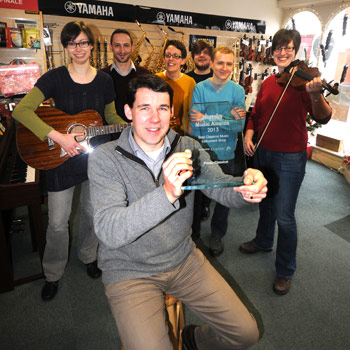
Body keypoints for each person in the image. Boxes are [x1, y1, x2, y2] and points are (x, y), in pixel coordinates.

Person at [88, 74, 268, 350]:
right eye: (144, 108)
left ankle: (193, 339)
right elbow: (110, 231)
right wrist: (167, 194)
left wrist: (245, 188)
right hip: (129, 271)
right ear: (128, 112)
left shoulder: (188, 147)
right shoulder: (106, 158)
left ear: (172, 112)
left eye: (162, 108)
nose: (154, 118)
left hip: (182, 259)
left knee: (246, 334)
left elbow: (218, 186)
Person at [12, 21, 124, 301]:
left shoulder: (105, 81)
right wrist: (58, 137)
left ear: (91, 45)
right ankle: (52, 273)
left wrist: (132, 124)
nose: (79, 48)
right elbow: (22, 111)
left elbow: (110, 118)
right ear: (65, 47)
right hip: (60, 158)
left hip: (94, 159)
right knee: (58, 222)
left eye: (83, 42)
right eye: (73, 43)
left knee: (91, 213)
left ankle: (88, 255)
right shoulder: (55, 77)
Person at [240, 29, 332, 295]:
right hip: (263, 151)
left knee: (285, 215)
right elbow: (256, 114)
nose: (282, 53)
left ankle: (285, 270)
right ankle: (263, 241)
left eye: (288, 48)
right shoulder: (269, 82)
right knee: (266, 204)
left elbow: (323, 117)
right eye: (278, 48)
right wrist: (249, 133)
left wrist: (315, 95)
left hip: (290, 157)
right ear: (272, 51)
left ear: (296, 51)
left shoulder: (305, 83)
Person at [190, 46, 246, 257]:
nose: (224, 68)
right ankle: (192, 234)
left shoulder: (238, 91)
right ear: (212, 64)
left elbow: (238, 126)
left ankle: (217, 236)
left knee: (224, 198)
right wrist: (227, 116)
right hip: (203, 151)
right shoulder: (200, 88)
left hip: (226, 152)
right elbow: (195, 124)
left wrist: (208, 118)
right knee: (196, 196)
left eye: (229, 64)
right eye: (220, 63)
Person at [187, 39, 214, 232]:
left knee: (209, 173)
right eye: (198, 52)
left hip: (212, 137)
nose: (201, 55)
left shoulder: (217, 78)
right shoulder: (186, 78)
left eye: (205, 52)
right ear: (193, 56)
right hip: (190, 136)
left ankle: (205, 204)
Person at [101, 28, 150, 122]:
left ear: (132, 47)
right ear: (111, 47)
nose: (122, 50)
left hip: (138, 134)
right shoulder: (102, 76)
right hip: (111, 135)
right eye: (117, 45)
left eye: (126, 45)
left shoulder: (146, 75)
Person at [156, 39, 196, 135]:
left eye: (176, 56)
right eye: (168, 55)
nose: (171, 59)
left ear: (183, 61)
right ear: (164, 58)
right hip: (158, 133)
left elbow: (193, 114)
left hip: (182, 135)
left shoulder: (190, 82)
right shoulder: (155, 79)